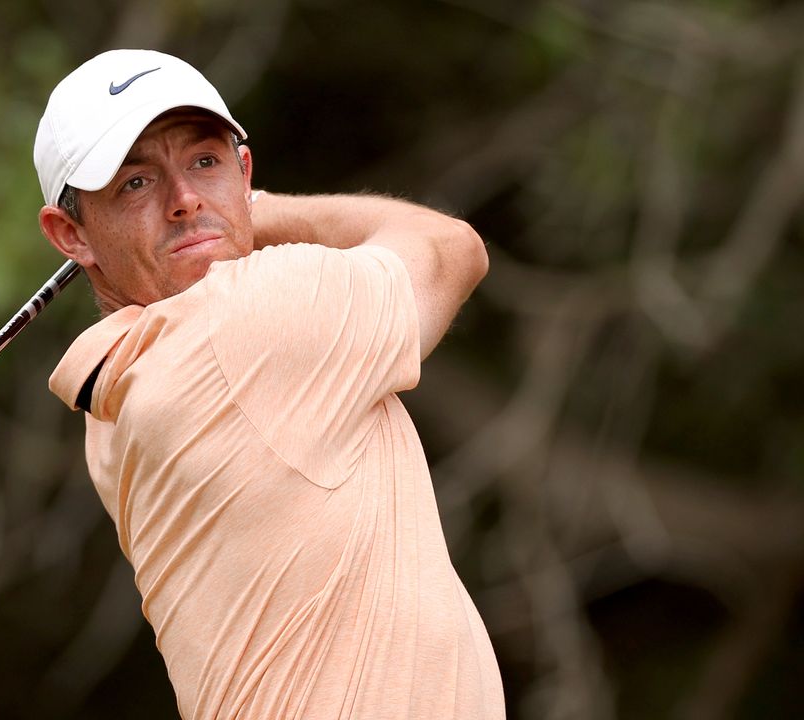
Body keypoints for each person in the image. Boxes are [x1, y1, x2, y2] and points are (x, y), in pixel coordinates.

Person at [34, 49, 503, 719]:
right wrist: (258, 210)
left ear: (241, 165)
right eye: (135, 183)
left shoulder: (110, 401)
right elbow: (451, 248)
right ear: (70, 234)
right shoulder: (252, 319)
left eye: (205, 162)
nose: (185, 199)